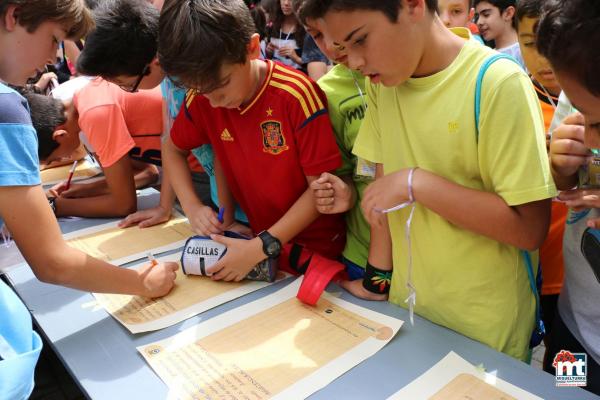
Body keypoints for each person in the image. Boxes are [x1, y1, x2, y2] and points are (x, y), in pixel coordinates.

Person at [294, 0, 555, 361]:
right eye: (341, 47)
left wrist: (419, 184)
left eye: (360, 40)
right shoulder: (383, 84)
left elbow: (529, 229)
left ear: (412, 6)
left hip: (485, 327)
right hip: (409, 308)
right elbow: (382, 194)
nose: (353, 62)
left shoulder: (497, 82)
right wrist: (378, 282)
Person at [0, 1, 176, 398]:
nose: (52, 57)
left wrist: (59, 201)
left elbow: (138, 179)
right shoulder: (6, 108)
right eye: (54, 39)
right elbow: (53, 262)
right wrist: (143, 284)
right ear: (14, 16)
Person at [159, 0, 346, 281]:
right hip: (259, 247)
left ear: (252, 48)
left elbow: (320, 192)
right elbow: (172, 148)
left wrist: (263, 246)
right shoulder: (201, 98)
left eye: (221, 85)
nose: (214, 101)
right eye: (200, 89)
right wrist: (192, 206)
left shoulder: (295, 95)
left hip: (316, 252)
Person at [76, 0, 247, 230]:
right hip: (220, 201)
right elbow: (170, 141)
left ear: (154, 63)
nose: (127, 91)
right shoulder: (169, 79)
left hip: (242, 200)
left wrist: (224, 218)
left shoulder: (196, 82)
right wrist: (165, 206)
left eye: (127, 85)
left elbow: (222, 148)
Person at [537, 0, 600, 394]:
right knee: (562, 390)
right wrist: (560, 165)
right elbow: (562, 183)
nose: (590, 138)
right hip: (577, 329)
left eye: (598, 123)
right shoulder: (576, 91)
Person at [515, 0, 566, 364]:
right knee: (566, 366)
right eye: (531, 43)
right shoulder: (514, 99)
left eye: (553, 40)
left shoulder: (586, 99)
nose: (544, 56)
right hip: (546, 274)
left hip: (583, 267)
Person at [474, 0, 524, 68]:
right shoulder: (486, 55)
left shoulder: (523, 52)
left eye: (486, 15)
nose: (479, 22)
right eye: (477, 17)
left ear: (508, 13)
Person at [265, 0, 305, 69]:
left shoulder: (306, 28)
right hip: (275, 76)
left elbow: (313, 65)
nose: (286, 3)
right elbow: (268, 58)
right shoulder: (272, 26)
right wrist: (269, 52)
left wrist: (296, 58)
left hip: (296, 77)